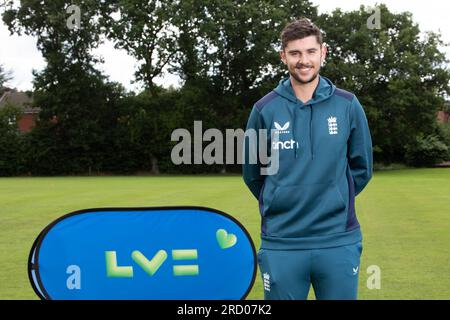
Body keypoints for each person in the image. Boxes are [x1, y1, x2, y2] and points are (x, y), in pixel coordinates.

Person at [242, 18, 373, 300]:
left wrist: (334, 196)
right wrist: (281, 199)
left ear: (323, 52)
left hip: (338, 239)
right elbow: (253, 174)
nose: (304, 61)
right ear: (283, 56)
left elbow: (362, 167)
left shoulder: (347, 104)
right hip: (282, 241)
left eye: (311, 52)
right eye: (295, 53)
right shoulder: (264, 109)